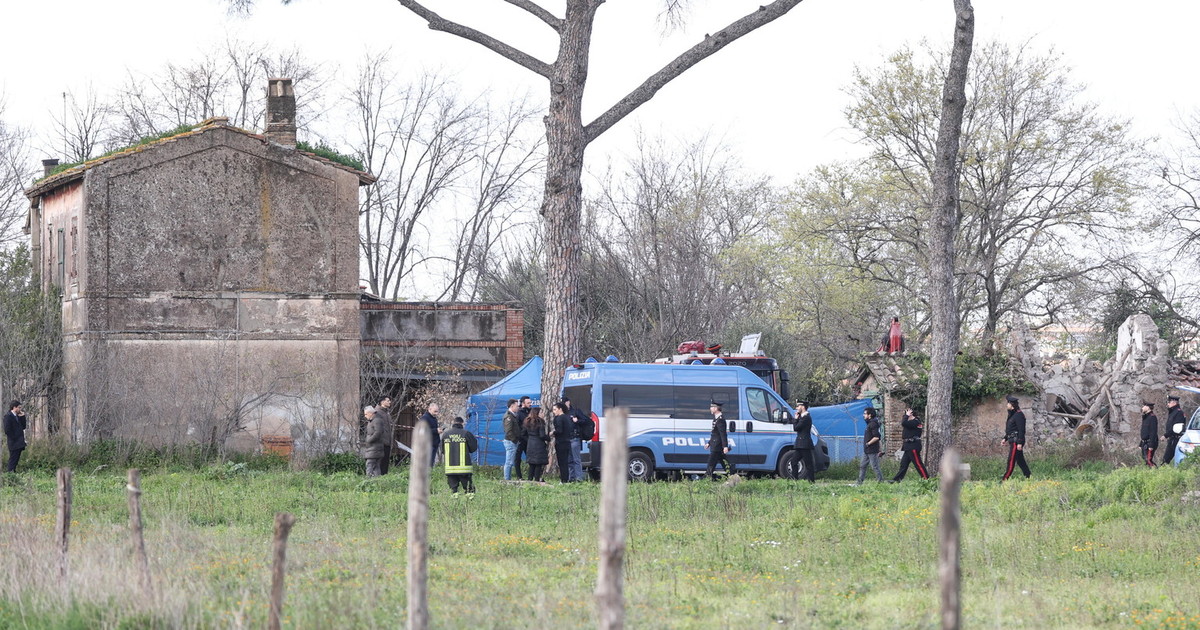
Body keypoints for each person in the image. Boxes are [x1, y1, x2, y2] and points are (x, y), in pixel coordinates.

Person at [443, 416, 479, 496]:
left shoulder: (446, 434)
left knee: (454, 491)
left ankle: (455, 506)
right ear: (462, 423)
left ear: (453, 423)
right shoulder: (466, 433)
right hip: (464, 469)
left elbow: (443, 450)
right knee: (469, 490)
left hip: (450, 469)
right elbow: (473, 448)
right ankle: (470, 505)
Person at [892, 407, 930, 482]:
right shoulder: (911, 422)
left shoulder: (915, 422)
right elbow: (905, 424)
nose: (905, 416)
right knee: (903, 465)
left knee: (918, 464)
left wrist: (906, 416)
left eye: (907, 414)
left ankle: (927, 480)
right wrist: (906, 416)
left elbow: (903, 423)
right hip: (908, 446)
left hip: (913, 446)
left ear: (911, 414)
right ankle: (896, 480)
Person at [1001, 395, 1031, 481]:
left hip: (1016, 441)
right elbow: (1011, 429)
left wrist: (1020, 443)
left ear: (1012, 404)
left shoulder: (1019, 415)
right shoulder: (1012, 415)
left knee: (1011, 460)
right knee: (1020, 460)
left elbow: (1021, 430)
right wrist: (1005, 438)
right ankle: (1028, 476)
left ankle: (1005, 479)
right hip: (1012, 440)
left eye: (1008, 403)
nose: (1007, 405)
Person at [564, 397, 592, 482]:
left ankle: (579, 478)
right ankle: (571, 477)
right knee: (569, 460)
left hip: (575, 437)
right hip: (567, 438)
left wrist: (577, 421)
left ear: (568, 402)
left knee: (576, 459)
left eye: (565, 402)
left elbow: (586, 421)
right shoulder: (564, 413)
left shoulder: (575, 411)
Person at [704, 402, 735, 480]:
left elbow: (723, 434)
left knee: (711, 463)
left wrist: (725, 446)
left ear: (716, 408)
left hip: (717, 446)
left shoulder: (720, 420)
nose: (710, 409)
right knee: (724, 463)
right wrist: (709, 443)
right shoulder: (716, 418)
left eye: (711, 407)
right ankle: (732, 476)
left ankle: (707, 478)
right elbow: (715, 434)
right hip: (715, 444)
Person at [855, 406, 884, 485]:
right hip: (867, 450)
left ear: (870, 415)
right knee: (862, 465)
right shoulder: (869, 424)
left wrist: (868, 443)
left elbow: (877, 437)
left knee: (874, 466)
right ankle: (859, 482)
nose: (863, 415)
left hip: (872, 450)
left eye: (865, 414)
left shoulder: (873, 424)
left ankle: (880, 482)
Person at [523, 407, 550, 482]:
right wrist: (548, 438)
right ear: (537, 413)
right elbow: (542, 435)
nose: (543, 414)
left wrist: (529, 440)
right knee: (538, 464)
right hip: (539, 445)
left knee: (531, 464)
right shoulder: (540, 422)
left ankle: (529, 480)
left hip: (530, 444)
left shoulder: (527, 421)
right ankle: (537, 480)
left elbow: (523, 434)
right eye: (541, 412)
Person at [792, 401, 816, 483]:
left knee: (808, 464)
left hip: (805, 444)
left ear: (803, 407)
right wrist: (797, 418)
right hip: (800, 444)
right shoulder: (802, 417)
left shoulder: (806, 417)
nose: (796, 408)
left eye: (798, 406)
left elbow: (796, 428)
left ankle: (811, 481)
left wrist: (795, 419)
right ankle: (795, 480)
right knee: (793, 462)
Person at [551, 402, 574, 483]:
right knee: (565, 461)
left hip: (561, 442)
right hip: (567, 441)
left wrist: (553, 433)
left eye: (555, 409)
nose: (554, 412)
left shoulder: (560, 418)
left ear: (560, 409)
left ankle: (563, 479)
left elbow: (559, 430)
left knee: (562, 462)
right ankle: (566, 478)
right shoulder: (567, 417)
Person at [3, 401, 27, 473]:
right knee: (13, 459)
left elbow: (23, 426)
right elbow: (7, 430)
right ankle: (10, 473)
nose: (20, 409)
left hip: (19, 442)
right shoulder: (8, 416)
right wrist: (14, 438)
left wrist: (22, 417)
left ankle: (13, 472)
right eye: (19, 407)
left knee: (16, 459)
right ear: (14, 407)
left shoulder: (17, 416)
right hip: (13, 442)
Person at [361, 406, 385, 478]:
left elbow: (378, 433)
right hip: (374, 448)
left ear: (370, 413)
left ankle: (368, 481)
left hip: (374, 448)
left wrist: (369, 440)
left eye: (366, 414)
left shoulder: (377, 420)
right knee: (376, 467)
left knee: (370, 465)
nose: (365, 416)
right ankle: (377, 482)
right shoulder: (373, 420)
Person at [514, 395, 533, 480]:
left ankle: (531, 476)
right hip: (521, 439)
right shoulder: (519, 414)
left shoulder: (531, 412)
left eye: (530, 402)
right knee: (517, 458)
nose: (530, 404)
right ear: (523, 403)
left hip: (529, 439)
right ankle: (519, 476)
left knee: (531, 458)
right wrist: (520, 437)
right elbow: (517, 427)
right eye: (528, 403)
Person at [502, 398, 521, 481]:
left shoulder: (513, 415)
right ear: (512, 406)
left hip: (512, 441)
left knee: (510, 462)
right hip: (510, 441)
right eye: (517, 406)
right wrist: (514, 440)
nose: (518, 408)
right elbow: (508, 431)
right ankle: (507, 479)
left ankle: (508, 478)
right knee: (509, 462)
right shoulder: (508, 417)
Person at [1163, 395, 1186, 466]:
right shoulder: (1173, 412)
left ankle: (1163, 472)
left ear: (1174, 402)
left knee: (1166, 459)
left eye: (1169, 402)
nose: (1168, 404)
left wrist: (1166, 435)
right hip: (1172, 438)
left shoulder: (1178, 413)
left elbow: (1176, 427)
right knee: (1167, 459)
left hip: (1175, 438)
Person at [419, 402, 441, 468]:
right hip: (428, 443)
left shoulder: (433, 418)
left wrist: (438, 430)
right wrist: (436, 430)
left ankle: (430, 475)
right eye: (435, 411)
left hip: (434, 443)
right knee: (428, 463)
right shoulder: (425, 418)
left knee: (431, 462)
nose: (436, 413)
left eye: (437, 411)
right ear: (429, 409)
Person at [376, 396, 394, 475]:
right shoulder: (377, 412)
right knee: (380, 463)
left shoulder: (386, 413)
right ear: (382, 402)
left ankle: (384, 479)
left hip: (387, 441)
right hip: (381, 442)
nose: (390, 402)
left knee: (385, 464)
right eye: (388, 400)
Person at [1140, 401, 1159, 468]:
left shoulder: (1152, 417)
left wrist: (1151, 445)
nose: (1142, 408)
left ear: (1148, 407)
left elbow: (1153, 432)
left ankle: (1156, 472)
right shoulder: (1145, 417)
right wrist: (1141, 443)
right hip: (1144, 443)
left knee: (1148, 460)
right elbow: (1144, 432)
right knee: (1145, 459)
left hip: (1149, 443)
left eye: (1144, 406)